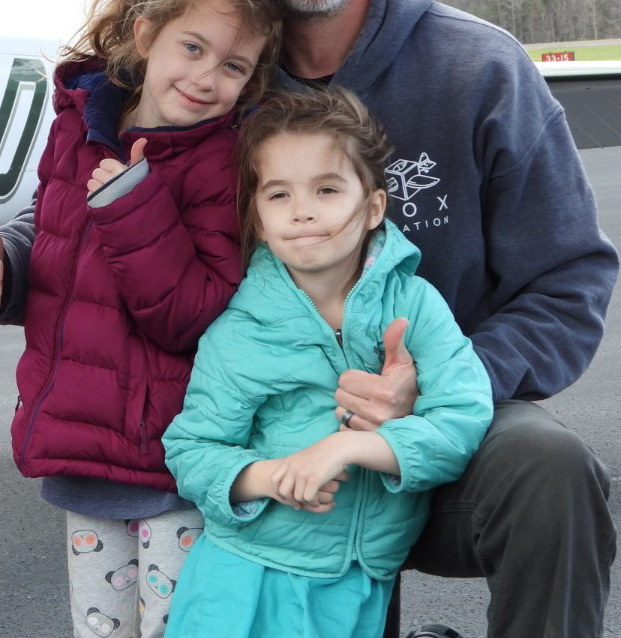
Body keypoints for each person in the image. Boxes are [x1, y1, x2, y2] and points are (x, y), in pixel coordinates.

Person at [0, 0, 618, 634]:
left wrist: (438, 383)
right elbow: (87, 195)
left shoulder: (482, 72)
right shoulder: (199, 70)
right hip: (262, 444)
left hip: (446, 418)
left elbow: (570, 281)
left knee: (550, 470)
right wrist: (8, 267)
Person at [0, 0, 284, 638]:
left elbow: (191, 317)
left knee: (179, 629)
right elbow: (57, 251)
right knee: (100, 630)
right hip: (84, 453)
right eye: (192, 47)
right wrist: (3, 267)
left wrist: (135, 206)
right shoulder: (77, 127)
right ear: (146, 34)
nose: (205, 77)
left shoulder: (224, 162)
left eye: (232, 66)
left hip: (173, 466)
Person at [161, 84, 495, 636]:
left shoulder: (416, 306)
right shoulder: (241, 329)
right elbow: (192, 449)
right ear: (257, 218)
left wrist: (350, 445)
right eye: (279, 195)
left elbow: (462, 419)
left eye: (327, 189)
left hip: (358, 582)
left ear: (373, 207)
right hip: (243, 580)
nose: (303, 213)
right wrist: (267, 477)